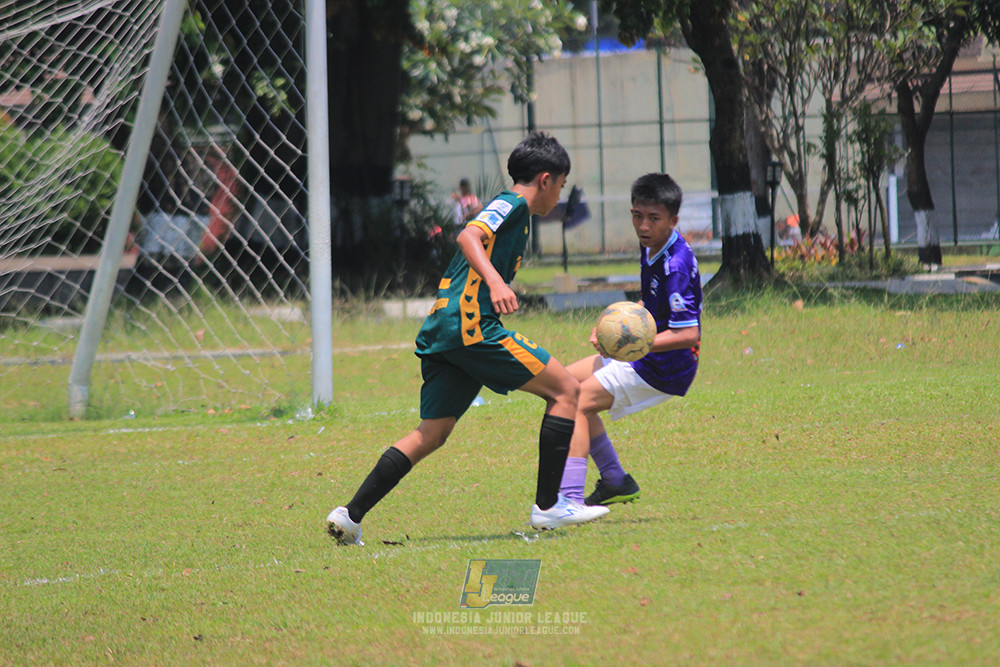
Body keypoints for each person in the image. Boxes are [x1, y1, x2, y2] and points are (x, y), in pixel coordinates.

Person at [326, 132, 609, 546]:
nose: (559, 195)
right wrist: (495, 282)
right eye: (562, 186)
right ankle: (550, 508)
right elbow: (468, 236)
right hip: (470, 326)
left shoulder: (518, 214)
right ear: (546, 179)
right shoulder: (512, 204)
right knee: (567, 389)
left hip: (447, 331)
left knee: (432, 433)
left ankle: (349, 516)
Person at [559, 172, 702, 508]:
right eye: (638, 216)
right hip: (642, 354)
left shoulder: (676, 265)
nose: (644, 226)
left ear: (673, 220)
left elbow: (688, 333)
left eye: (654, 218)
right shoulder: (652, 246)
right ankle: (614, 480)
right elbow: (650, 307)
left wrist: (631, 342)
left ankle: (569, 501)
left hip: (663, 367)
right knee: (563, 383)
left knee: (577, 403)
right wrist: (613, 327)